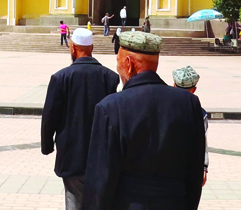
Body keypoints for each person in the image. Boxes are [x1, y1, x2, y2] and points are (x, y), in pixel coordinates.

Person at [83, 31, 205, 210]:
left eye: (118, 63)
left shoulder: (111, 107)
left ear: (128, 64)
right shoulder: (188, 103)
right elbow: (195, 171)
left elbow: (100, 179)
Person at [42, 28, 119, 210]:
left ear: (73, 48)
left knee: (74, 202)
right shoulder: (109, 78)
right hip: (101, 155)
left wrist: (47, 145)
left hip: (71, 156)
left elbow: (49, 117)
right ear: (91, 48)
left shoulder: (60, 78)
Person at [172, 66, 209, 187]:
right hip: (189, 165)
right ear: (194, 89)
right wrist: (204, 167)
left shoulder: (163, 106)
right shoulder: (199, 112)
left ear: (173, 85)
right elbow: (202, 141)